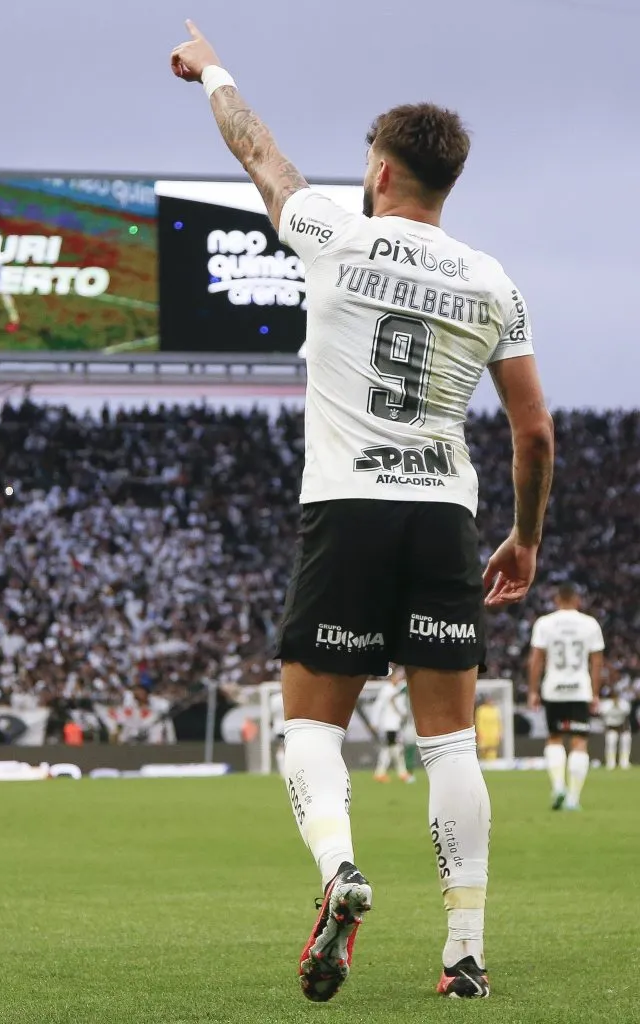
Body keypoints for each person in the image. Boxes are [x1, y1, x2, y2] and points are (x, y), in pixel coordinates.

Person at [170, 21, 554, 1001]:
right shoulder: (492, 280)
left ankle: (341, 870)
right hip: (441, 514)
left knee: (310, 725)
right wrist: (523, 538)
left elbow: (255, 150)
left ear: (380, 173)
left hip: (346, 509)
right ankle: (464, 955)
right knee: (450, 742)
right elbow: (535, 431)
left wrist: (211, 68)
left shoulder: (333, 233)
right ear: (444, 184)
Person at [528, 584, 604, 810]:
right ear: (578, 600)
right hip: (580, 688)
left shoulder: (545, 623)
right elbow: (597, 662)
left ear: (556, 600)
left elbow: (536, 659)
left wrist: (533, 690)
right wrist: (596, 692)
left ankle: (558, 786)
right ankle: (573, 798)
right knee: (579, 741)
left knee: (554, 738)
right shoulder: (590, 624)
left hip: (554, 687)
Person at [370, 669, 414, 782]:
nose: (399, 679)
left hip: (395, 724)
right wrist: (374, 721)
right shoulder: (387, 689)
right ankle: (402, 773)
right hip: (390, 725)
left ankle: (380, 773)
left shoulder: (396, 689)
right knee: (396, 748)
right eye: (398, 676)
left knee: (388, 749)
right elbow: (378, 706)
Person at [598, 686, 632, 771]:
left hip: (623, 727)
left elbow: (627, 711)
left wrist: (618, 706)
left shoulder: (624, 703)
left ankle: (624, 762)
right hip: (611, 727)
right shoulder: (606, 704)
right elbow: (602, 712)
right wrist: (613, 706)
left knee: (626, 741)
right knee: (611, 742)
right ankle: (610, 763)